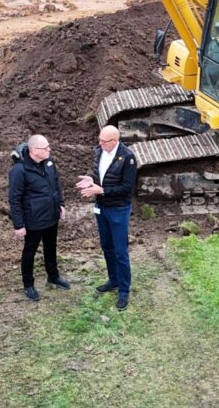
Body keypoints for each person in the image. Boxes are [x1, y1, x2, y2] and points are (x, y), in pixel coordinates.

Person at [76, 125, 137, 311]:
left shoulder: (127, 157)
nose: (100, 144)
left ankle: (124, 291)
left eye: (104, 141)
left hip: (118, 209)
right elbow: (98, 173)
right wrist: (91, 180)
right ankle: (114, 280)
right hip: (101, 207)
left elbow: (128, 188)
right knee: (107, 246)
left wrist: (101, 190)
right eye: (99, 140)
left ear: (115, 140)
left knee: (120, 251)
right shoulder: (99, 151)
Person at [8, 134, 69, 301]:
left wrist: (60, 205)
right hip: (34, 220)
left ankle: (53, 276)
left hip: (51, 215)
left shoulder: (49, 163)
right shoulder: (19, 171)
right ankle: (28, 284)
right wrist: (19, 224)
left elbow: (57, 185)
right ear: (34, 150)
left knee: (51, 247)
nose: (49, 150)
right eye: (46, 148)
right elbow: (14, 198)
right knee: (30, 252)